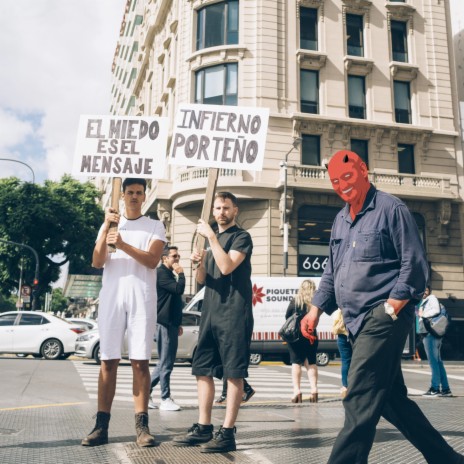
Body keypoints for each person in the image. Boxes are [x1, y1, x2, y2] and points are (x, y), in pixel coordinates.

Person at [300, 150, 464, 464]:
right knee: (390, 401)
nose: (342, 186)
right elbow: (332, 271)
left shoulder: (391, 209)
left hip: (382, 315)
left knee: (359, 395)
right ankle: (446, 459)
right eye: (336, 181)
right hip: (354, 321)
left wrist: (392, 305)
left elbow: (414, 264)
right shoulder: (340, 219)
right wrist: (315, 308)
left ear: (364, 170)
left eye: (347, 177)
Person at [82, 178, 166, 448]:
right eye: (129, 192)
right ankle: (101, 425)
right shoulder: (109, 225)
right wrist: (107, 226)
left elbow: (153, 260)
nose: (133, 196)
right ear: (123, 196)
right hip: (112, 297)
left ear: (144, 196)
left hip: (142, 297)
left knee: (140, 361)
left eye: (138, 193)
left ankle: (142, 426)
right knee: (108, 360)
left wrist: (124, 244)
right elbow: (97, 261)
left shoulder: (155, 225)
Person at [173, 191, 253, 453]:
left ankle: (227, 432)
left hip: (234, 313)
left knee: (233, 372)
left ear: (235, 210)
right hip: (210, 312)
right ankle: (204, 426)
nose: (220, 212)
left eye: (226, 207)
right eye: (217, 208)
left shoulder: (242, 237)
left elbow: (228, 266)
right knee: (202, 369)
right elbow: (202, 280)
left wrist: (210, 238)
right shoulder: (213, 241)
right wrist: (199, 262)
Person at [148, 246, 185, 411]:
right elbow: (179, 289)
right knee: (166, 363)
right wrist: (182, 274)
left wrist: (178, 323)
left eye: (178, 256)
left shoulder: (168, 274)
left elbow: (175, 301)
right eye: (174, 256)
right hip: (164, 323)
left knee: (164, 362)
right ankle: (165, 398)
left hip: (171, 323)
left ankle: (144, 392)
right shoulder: (162, 273)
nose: (177, 259)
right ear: (164, 259)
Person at [284, 279, 318, 403]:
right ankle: (314, 390)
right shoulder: (315, 303)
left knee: (296, 362)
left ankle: (297, 391)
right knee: (311, 362)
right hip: (311, 335)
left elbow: (287, 316)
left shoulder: (295, 301)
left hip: (296, 336)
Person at [417, 285, 452, 397]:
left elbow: (436, 310)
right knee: (438, 362)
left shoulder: (431, 298)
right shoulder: (422, 301)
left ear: (429, 291)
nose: (424, 292)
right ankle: (446, 389)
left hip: (430, 334)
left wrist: (423, 314)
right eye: (423, 290)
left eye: (426, 290)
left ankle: (434, 389)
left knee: (433, 363)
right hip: (429, 334)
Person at [332, 309, 352, 399]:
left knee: (345, 362)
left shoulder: (341, 308)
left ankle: (345, 386)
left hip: (342, 335)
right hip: (355, 335)